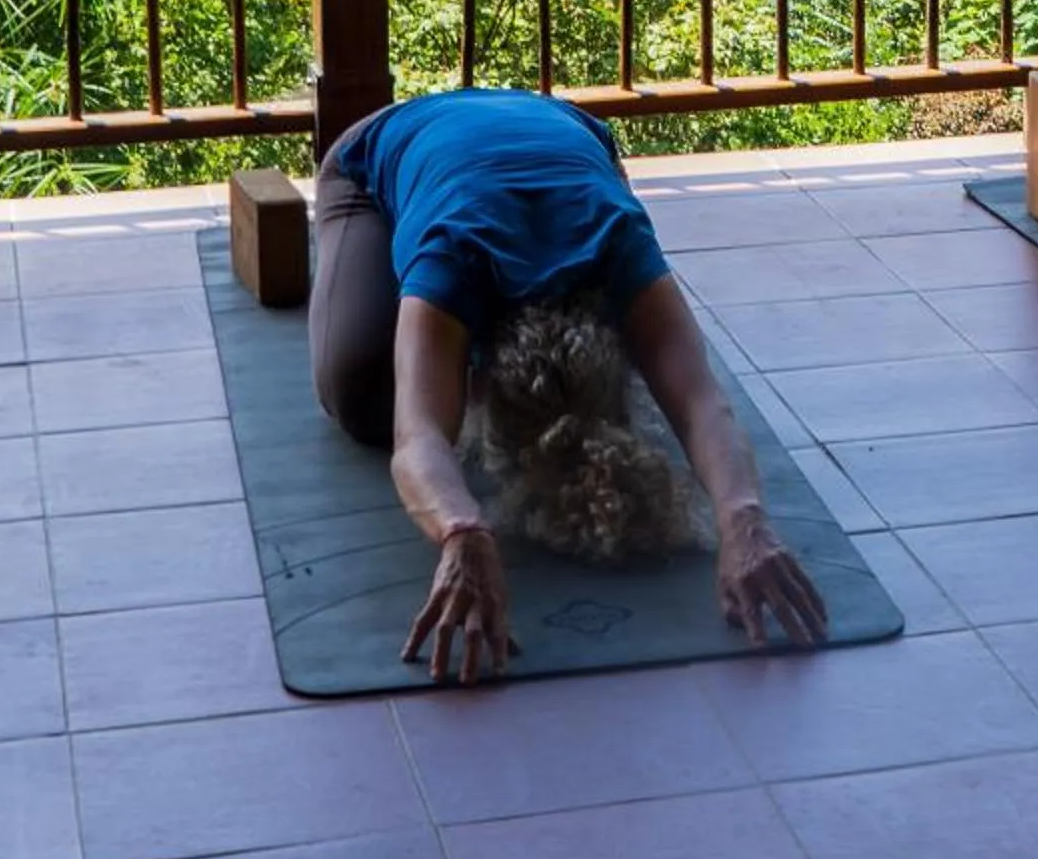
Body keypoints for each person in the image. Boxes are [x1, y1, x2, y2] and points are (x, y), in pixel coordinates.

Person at [311, 85, 828, 682]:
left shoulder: (618, 241)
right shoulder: (453, 258)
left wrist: (745, 520)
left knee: (664, 360)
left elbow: (701, 404)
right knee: (364, 395)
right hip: (385, 140)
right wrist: (461, 531)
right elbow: (417, 437)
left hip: (570, 131)